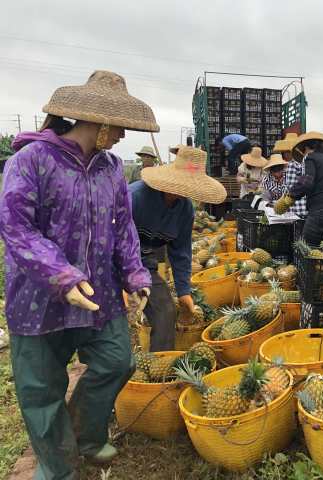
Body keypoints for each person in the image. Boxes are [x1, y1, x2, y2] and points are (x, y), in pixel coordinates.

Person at [0, 70, 156, 479]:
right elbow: (16, 226)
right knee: (42, 392)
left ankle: (87, 436)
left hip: (98, 296)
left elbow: (123, 228)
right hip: (38, 302)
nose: (123, 135)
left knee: (117, 361)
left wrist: (135, 277)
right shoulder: (29, 161)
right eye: (120, 127)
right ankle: (58, 468)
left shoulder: (111, 169)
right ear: (101, 124)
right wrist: (62, 276)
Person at [130, 145, 227, 351]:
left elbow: (180, 252)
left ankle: (161, 369)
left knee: (165, 311)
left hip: (144, 264)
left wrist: (184, 292)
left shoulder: (184, 210)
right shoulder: (135, 197)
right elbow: (105, 238)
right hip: (108, 262)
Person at [278, 132, 323, 245]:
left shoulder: (310, 157)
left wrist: (289, 198)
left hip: (321, 212)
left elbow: (306, 182)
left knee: (306, 249)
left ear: (306, 148)